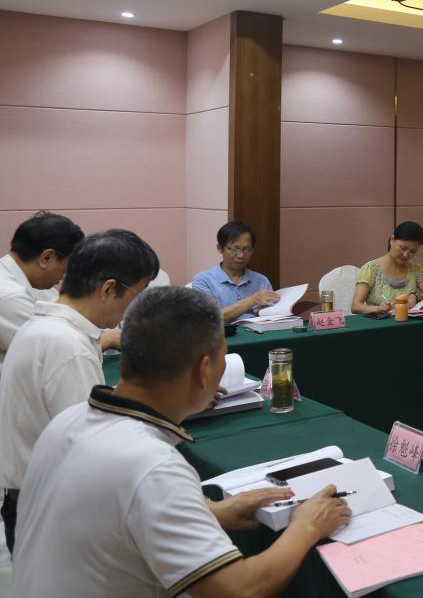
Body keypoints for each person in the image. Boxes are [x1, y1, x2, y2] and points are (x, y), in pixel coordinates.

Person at [13, 286, 350, 596]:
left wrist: (213, 511)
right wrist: (306, 527)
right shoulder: (154, 466)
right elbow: (240, 590)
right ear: (204, 370)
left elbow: (112, 511)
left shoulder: (68, 421)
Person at [0, 228, 158, 553]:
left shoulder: (44, 325)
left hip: (31, 497)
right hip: (50, 506)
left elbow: (78, 410)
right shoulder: (67, 346)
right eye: (138, 294)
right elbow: (93, 449)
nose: (134, 308)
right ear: (109, 288)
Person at [0, 211, 85, 372]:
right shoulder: (9, 296)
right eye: (69, 265)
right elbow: (54, 350)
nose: (66, 275)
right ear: (46, 258)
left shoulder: (32, 282)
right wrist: (110, 339)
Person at [190, 222, 279, 321]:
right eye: (234, 249)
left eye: (246, 249)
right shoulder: (203, 280)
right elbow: (210, 317)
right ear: (220, 248)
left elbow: (272, 316)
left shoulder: (261, 281)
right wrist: (253, 300)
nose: (241, 255)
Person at [352, 221, 423, 317]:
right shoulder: (371, 269)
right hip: (381, 323)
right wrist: (377, 309)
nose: (406, 254)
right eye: (403, 248)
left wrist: (417, 296)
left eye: (412, 251)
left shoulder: (415, 269)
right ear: (392, 240)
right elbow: (356, 306)